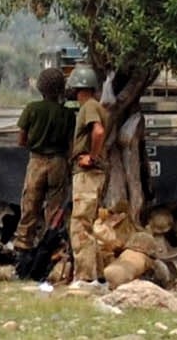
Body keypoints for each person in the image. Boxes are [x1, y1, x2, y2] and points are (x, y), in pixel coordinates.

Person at [12, 66, 73, 271]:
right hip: (58, 162)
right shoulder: (67, 114)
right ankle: (52, 252)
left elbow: (21, 140)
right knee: (55, 210)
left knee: (29, 206)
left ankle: (23, 252)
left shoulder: (31, 109)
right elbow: (71, 145)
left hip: (37, 161)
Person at [67, 66, 109, 288]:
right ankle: (99, 276)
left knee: (80, 224)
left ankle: (84, 277)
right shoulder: (98, 106)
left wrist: (90, 157)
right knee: (90, 224)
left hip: (87, 173)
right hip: (94, 174)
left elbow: (98, 131)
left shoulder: (89, 107)